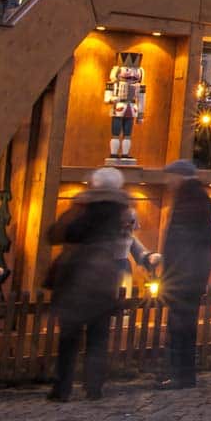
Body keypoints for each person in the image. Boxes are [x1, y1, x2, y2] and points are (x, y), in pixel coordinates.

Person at [46, 167, 130, 401]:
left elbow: (56, 234)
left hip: (77, 276)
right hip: (105, 278)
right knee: (98, 338)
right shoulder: (122, 210)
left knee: (69, 338)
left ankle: (62, 388)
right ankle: (94, 386)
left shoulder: (83, 207)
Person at [157, 159, 211, 389]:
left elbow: (182, 242)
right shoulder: (195, 198)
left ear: (180, 176)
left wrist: (172, 273)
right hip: (191, 272)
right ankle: (182, 374)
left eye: (171, 177)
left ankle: (181, 375)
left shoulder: (190, 200)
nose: (168, 182)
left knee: (180, 327)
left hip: (184, 274)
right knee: (183, 326)